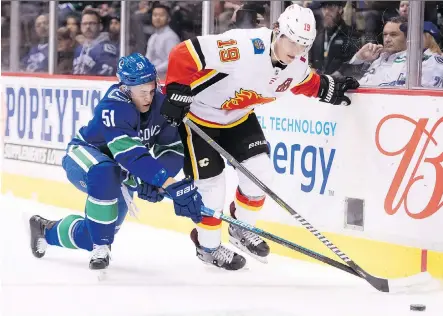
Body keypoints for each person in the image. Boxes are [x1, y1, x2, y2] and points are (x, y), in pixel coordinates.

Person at [160, 4, 359, 271]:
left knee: (261, 173)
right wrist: (176, 90)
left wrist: (328, 88)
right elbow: (185, 53)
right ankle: (207, 247)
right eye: (293, 42)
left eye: (304, 45)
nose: (297, 51)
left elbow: (305, 82)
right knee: (212, 188)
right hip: (199, 117)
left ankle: (241, 229)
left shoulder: (296, 64)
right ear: (278, 30)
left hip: (238, 117)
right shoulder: (242, 46)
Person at [29, 53, 205, 270]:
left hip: (123, 171)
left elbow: (170, 148)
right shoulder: (113, 105)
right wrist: (165, 181)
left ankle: (45, 230)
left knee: (93, 233)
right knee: (105, 174)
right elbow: (129, 154)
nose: (149, 98)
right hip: (85, 154)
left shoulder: (160, 103)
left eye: (151, 90)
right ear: (125, 88)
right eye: (142, 93)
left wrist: (157, 182)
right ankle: (101, 247)